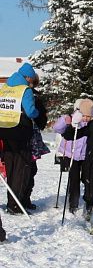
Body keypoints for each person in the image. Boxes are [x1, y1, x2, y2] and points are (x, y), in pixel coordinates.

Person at [0, 62, 40, 214]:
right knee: (21, 169)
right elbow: (30, 112)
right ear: (28, 77)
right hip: (20, 133)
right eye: (31, 80)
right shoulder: (25, 90)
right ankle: (15, 205)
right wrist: (37, 114)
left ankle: (12, 202)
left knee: (10, 168)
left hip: (3, 131)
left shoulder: (5, 88)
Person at [53, 99, 93, 213]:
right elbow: (57, 129)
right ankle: (73, 202)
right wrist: (65, 121)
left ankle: (89, 201)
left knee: (87, 178)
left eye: (89, 116)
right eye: (84, 115)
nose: (86, 118)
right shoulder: (72, 119)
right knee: (74, 178)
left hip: (86, 155)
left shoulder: (92, 123)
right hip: (70, 154)